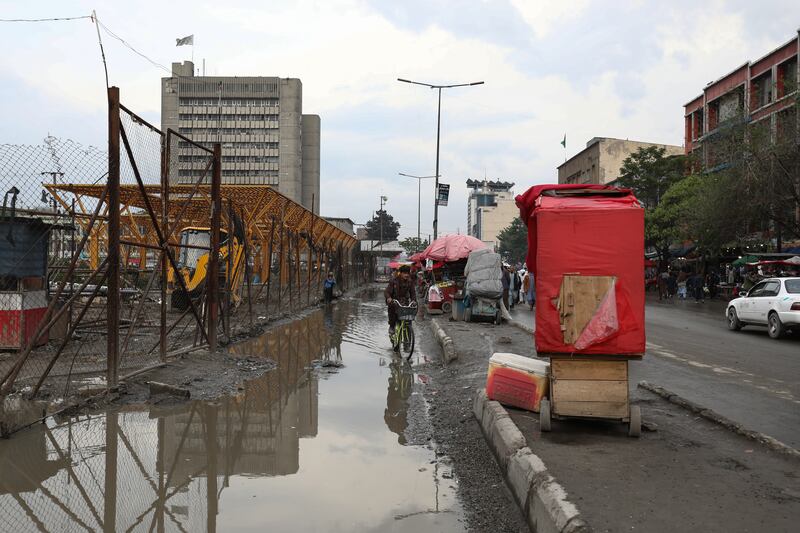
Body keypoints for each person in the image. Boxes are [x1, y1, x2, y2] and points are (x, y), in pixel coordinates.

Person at [385, 265, 417, 335]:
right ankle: (392, 326)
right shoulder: (394, 281)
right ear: (401, 273)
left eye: (407, 273)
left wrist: (413, 301)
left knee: (408, 314)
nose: (406, 275)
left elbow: (413, 293)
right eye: (404, 273)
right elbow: (387, 291)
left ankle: (408, 334)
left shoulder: (410, 282)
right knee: (392, 309)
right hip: (394, 300)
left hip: (405, 301)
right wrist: (389, 298)